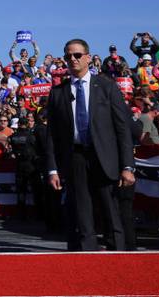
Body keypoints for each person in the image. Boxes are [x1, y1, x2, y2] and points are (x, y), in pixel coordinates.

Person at [45, 39, 134, 251]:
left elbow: (122, 129)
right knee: (81, 212)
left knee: (110, 210)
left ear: (87, 57)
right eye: (68, 56)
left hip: (104, 156)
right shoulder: (58, 93)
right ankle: (86, 260)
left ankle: (118, 257)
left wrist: (127, 166)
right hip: (75, 157)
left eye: (77, 55)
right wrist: (52, 169)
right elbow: (52, 135)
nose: (72, 60)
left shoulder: (106, 87)